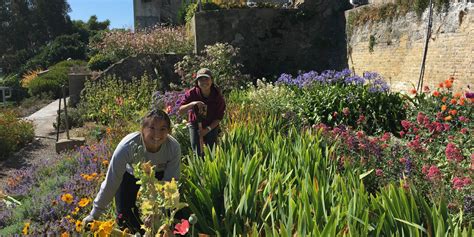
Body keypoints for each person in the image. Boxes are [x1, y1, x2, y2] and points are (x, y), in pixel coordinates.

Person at [82, 109, 181, 234]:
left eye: (163, 129)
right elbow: (111, 181)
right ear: (142, 129)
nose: (157, 134)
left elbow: (170, 183)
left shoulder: (173, 147)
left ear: (169, 131)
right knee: (125, 218)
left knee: (168, 217)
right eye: (152, 127)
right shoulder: (127, 146)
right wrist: (94, 214)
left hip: (160, 175)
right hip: (132, 174)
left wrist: (156, 212)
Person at [178, 68, 226, 156]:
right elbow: (180, 111)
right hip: (195, 124)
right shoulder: (192, 94)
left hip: (211, 125)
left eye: (206, 79)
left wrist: (207, 130)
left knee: (212, 152)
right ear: (197, 82)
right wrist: (192, 104)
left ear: (212, 80)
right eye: (201, 79)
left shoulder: (217, 96)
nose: (204, 82)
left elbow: (219, 118)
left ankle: (210, 168)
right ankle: (199, 167)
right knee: (197, 152)